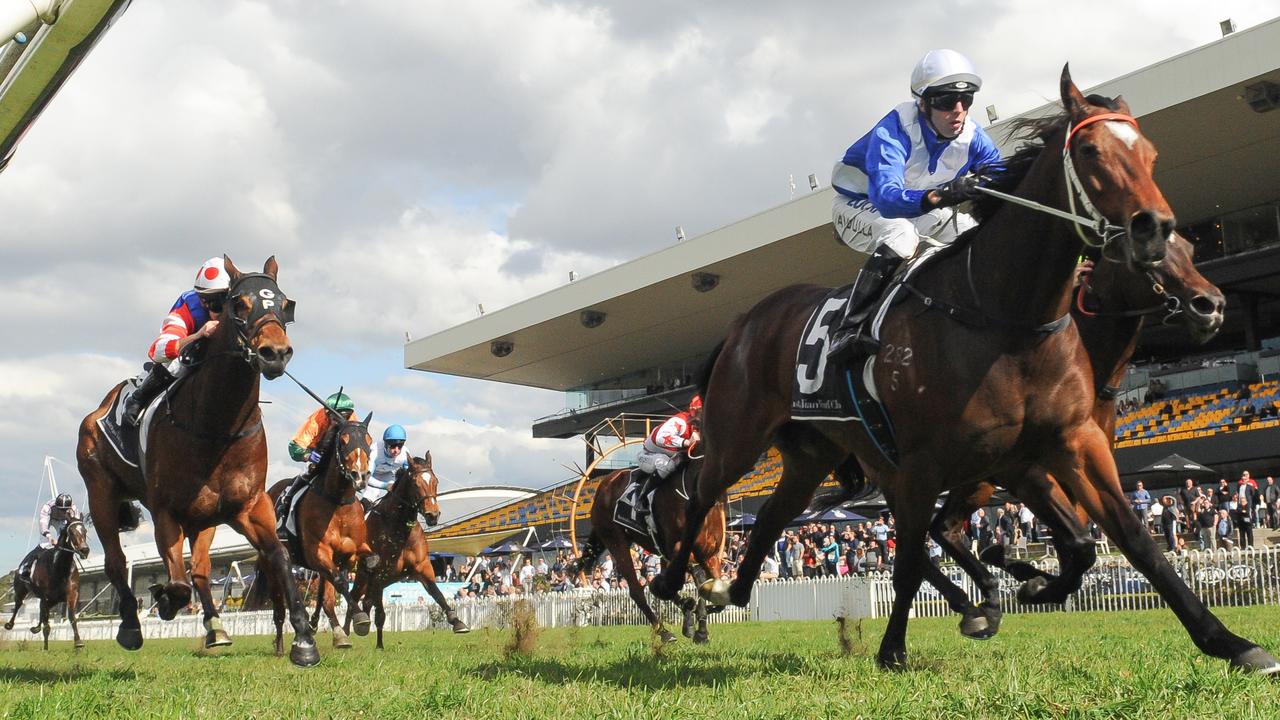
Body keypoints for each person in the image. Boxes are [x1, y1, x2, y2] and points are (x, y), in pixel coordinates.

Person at [827, 49, 1003, 359]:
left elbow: (1002, 178)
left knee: (974, 233)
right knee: (901, 237)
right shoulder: (894, 130)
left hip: (919, 208)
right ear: (923, 102)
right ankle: (847, 328)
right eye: (947, 101)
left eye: (967, 100)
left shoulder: (974, 137)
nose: (959, 110)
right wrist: (944, 195)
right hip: (860, 204)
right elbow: (887, 199)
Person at [123, 258, 230, 425]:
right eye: (206, 300)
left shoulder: (240, 308)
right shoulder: (187, 307)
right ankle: (137, 399)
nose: (208, 306)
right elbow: (158, 351)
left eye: (221, 301)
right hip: (192, 357)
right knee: (177, 363)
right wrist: (198, 335)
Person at [635, 396, 703, 493]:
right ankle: (642, 497)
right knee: (667, 465)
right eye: (702, 412)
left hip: (674, 456)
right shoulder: (680, 421)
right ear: (694, 411)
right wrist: (687, 442)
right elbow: (660, 438)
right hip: (648, 455)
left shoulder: (700, 426)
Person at [15, 493, 82, 580]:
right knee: (44, 544)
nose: (64, 512)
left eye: (66, 510)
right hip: (49, 519)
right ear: (56, 506)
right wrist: (50, 538)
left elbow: (75, 526)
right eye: (61, 510)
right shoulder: (47, 508)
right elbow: (44, 527)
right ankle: (26, 565)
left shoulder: (73, 509)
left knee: (64, 542)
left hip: (62, 522)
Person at [360, 424, 411, 511]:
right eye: (393, 446)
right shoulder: (375, 453)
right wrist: (385, 486)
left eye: (400, 446)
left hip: (387, 474)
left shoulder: (405, 454)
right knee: (373, 493)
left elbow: (409, 477)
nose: (396, 450)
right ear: (385, 444)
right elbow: (366, 478)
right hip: (371, 475)